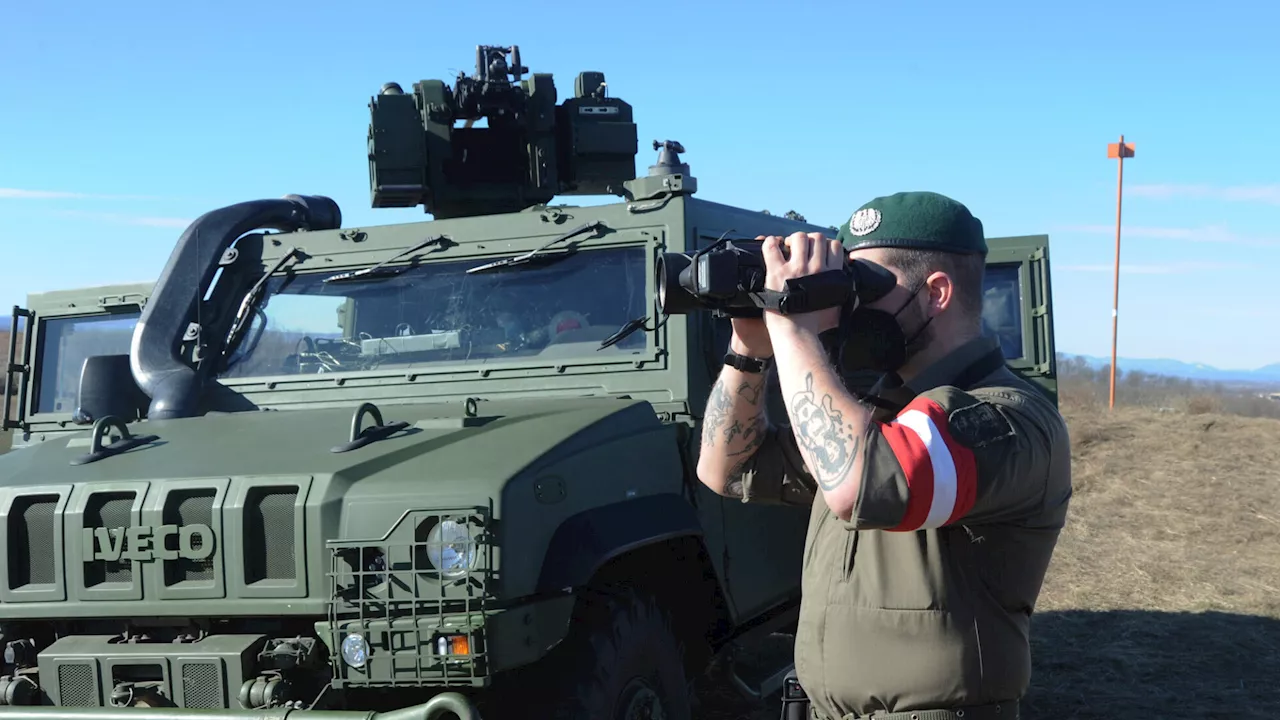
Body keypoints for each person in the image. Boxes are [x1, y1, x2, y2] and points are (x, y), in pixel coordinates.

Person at [697, 191, 1072, 720]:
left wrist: (792, 326)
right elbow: (726, 468)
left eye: (864, 287)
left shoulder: (1010, 417)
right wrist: (750, 350)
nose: (850, 310)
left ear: (937, 292)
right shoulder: (876, 412)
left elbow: (866, 482)